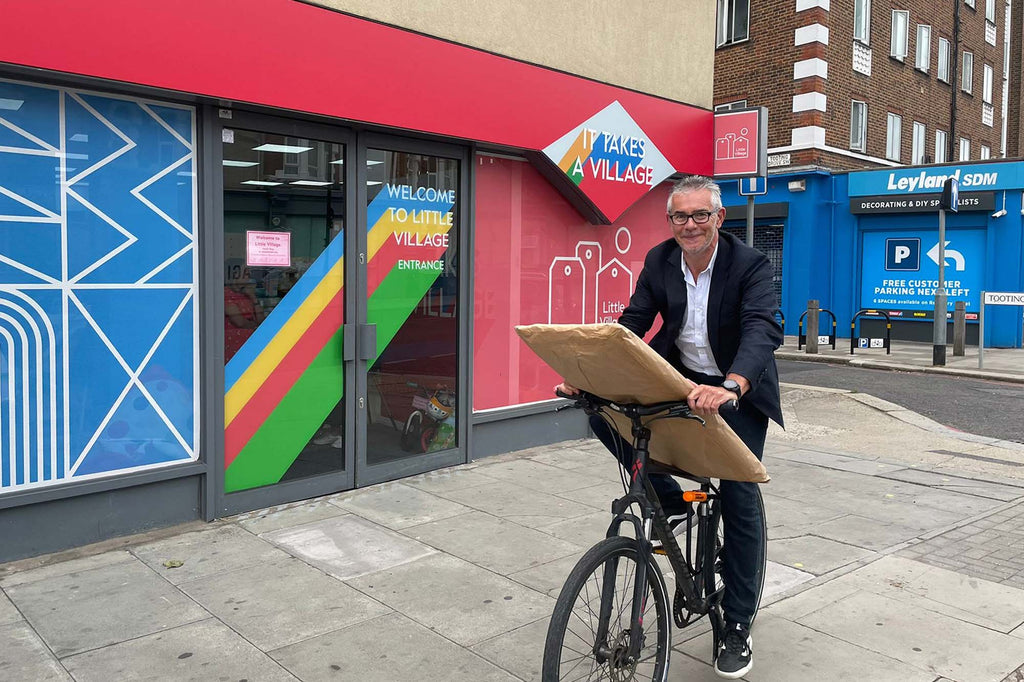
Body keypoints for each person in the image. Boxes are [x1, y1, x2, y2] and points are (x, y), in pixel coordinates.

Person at [556, 174, 782, 679]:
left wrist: (733, 384)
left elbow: (762, 327)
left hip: (734, 390)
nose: (690, 224)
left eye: (701, 214)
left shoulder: (750, 265)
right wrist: (589, 373)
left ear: (719, 219)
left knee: (740, 494)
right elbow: (634, 323)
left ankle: (738, 625)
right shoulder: (660, 260)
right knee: (604, 415)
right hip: (679, 381)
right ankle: (671, 496)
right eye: (680, 216)